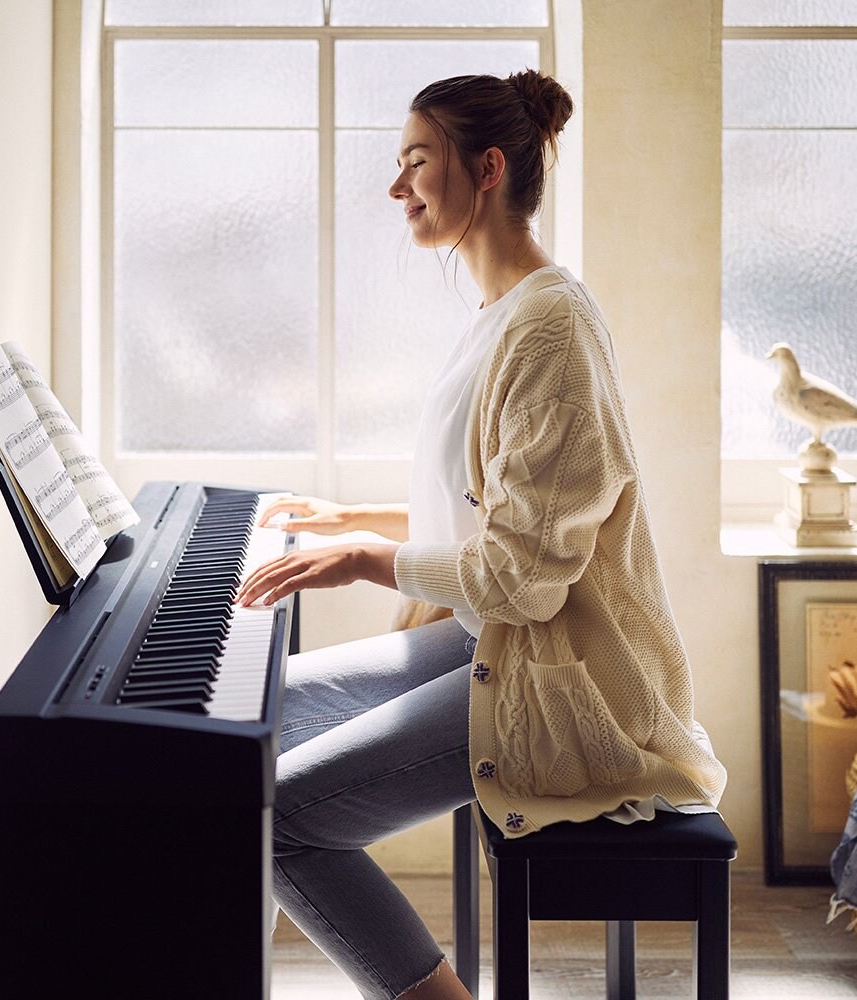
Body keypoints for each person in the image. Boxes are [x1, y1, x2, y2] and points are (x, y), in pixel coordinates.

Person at [235, 69, 727, 1000]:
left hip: (566, 685)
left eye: (415, 162)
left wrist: (366, 562)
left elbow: (530, 577)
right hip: (490, 642)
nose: (397, 188)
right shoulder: (503, 313)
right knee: (249, 726)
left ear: (487, 167)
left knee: (283, 816)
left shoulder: (551, 327)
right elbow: (486, 505)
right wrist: (355, 518)